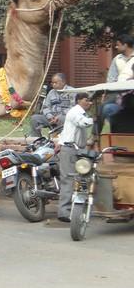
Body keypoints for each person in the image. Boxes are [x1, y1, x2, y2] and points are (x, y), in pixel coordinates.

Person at [56, 92, 94, 223]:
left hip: (79, 150)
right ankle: (64, 212)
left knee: (83, 178)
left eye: (90, 100)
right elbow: (83, 123)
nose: (89, 102)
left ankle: (79, 208)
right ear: (78, 101)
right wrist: (94, 118)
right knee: (68, 179)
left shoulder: (81, 113)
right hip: (70, 150)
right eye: (86, 100)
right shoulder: (75, 112)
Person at [28, 73, 73, 138]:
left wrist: (59, 116)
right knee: (35, 118)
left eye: (55, 83)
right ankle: (37, 138)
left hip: (64, 117)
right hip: (51, 117)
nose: (53, 85)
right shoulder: (51, 92)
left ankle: (60, 138)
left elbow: (73, 107)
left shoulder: (72, 91)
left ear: (63, 82)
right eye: (52, 83)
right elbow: (46, 107)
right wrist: (50, 116)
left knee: (61, 119)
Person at [103, 34, 134, 121]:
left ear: (125, 45)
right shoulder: (117, 59)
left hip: (132, 92)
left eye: (118, 45)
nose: (116, 47)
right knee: (104, 108)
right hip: (118, 92)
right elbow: (111, 78)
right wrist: (106, 92)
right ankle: (98, 133)